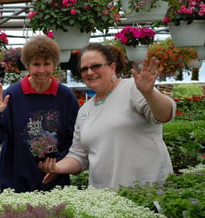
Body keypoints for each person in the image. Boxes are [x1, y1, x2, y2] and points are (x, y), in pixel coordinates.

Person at [39, 43, 176, 189]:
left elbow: (165, 115)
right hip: (105, 198)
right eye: (84, 69)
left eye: (96, 66)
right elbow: (79, 155)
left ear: (112, 67)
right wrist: (57, 168)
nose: (90, 72)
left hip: (145, 192)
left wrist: (149, 93)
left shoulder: (132, 88)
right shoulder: (85, 110)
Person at [0, 35, 79, 193]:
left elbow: (74, 139)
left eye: (47, 64)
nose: (42, 70)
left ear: (55, 65)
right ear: (27, 65)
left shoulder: (65, 97)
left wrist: (57, 164)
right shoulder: (13, 95)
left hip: (55, 183)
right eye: (36, 64)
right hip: (16, 184)